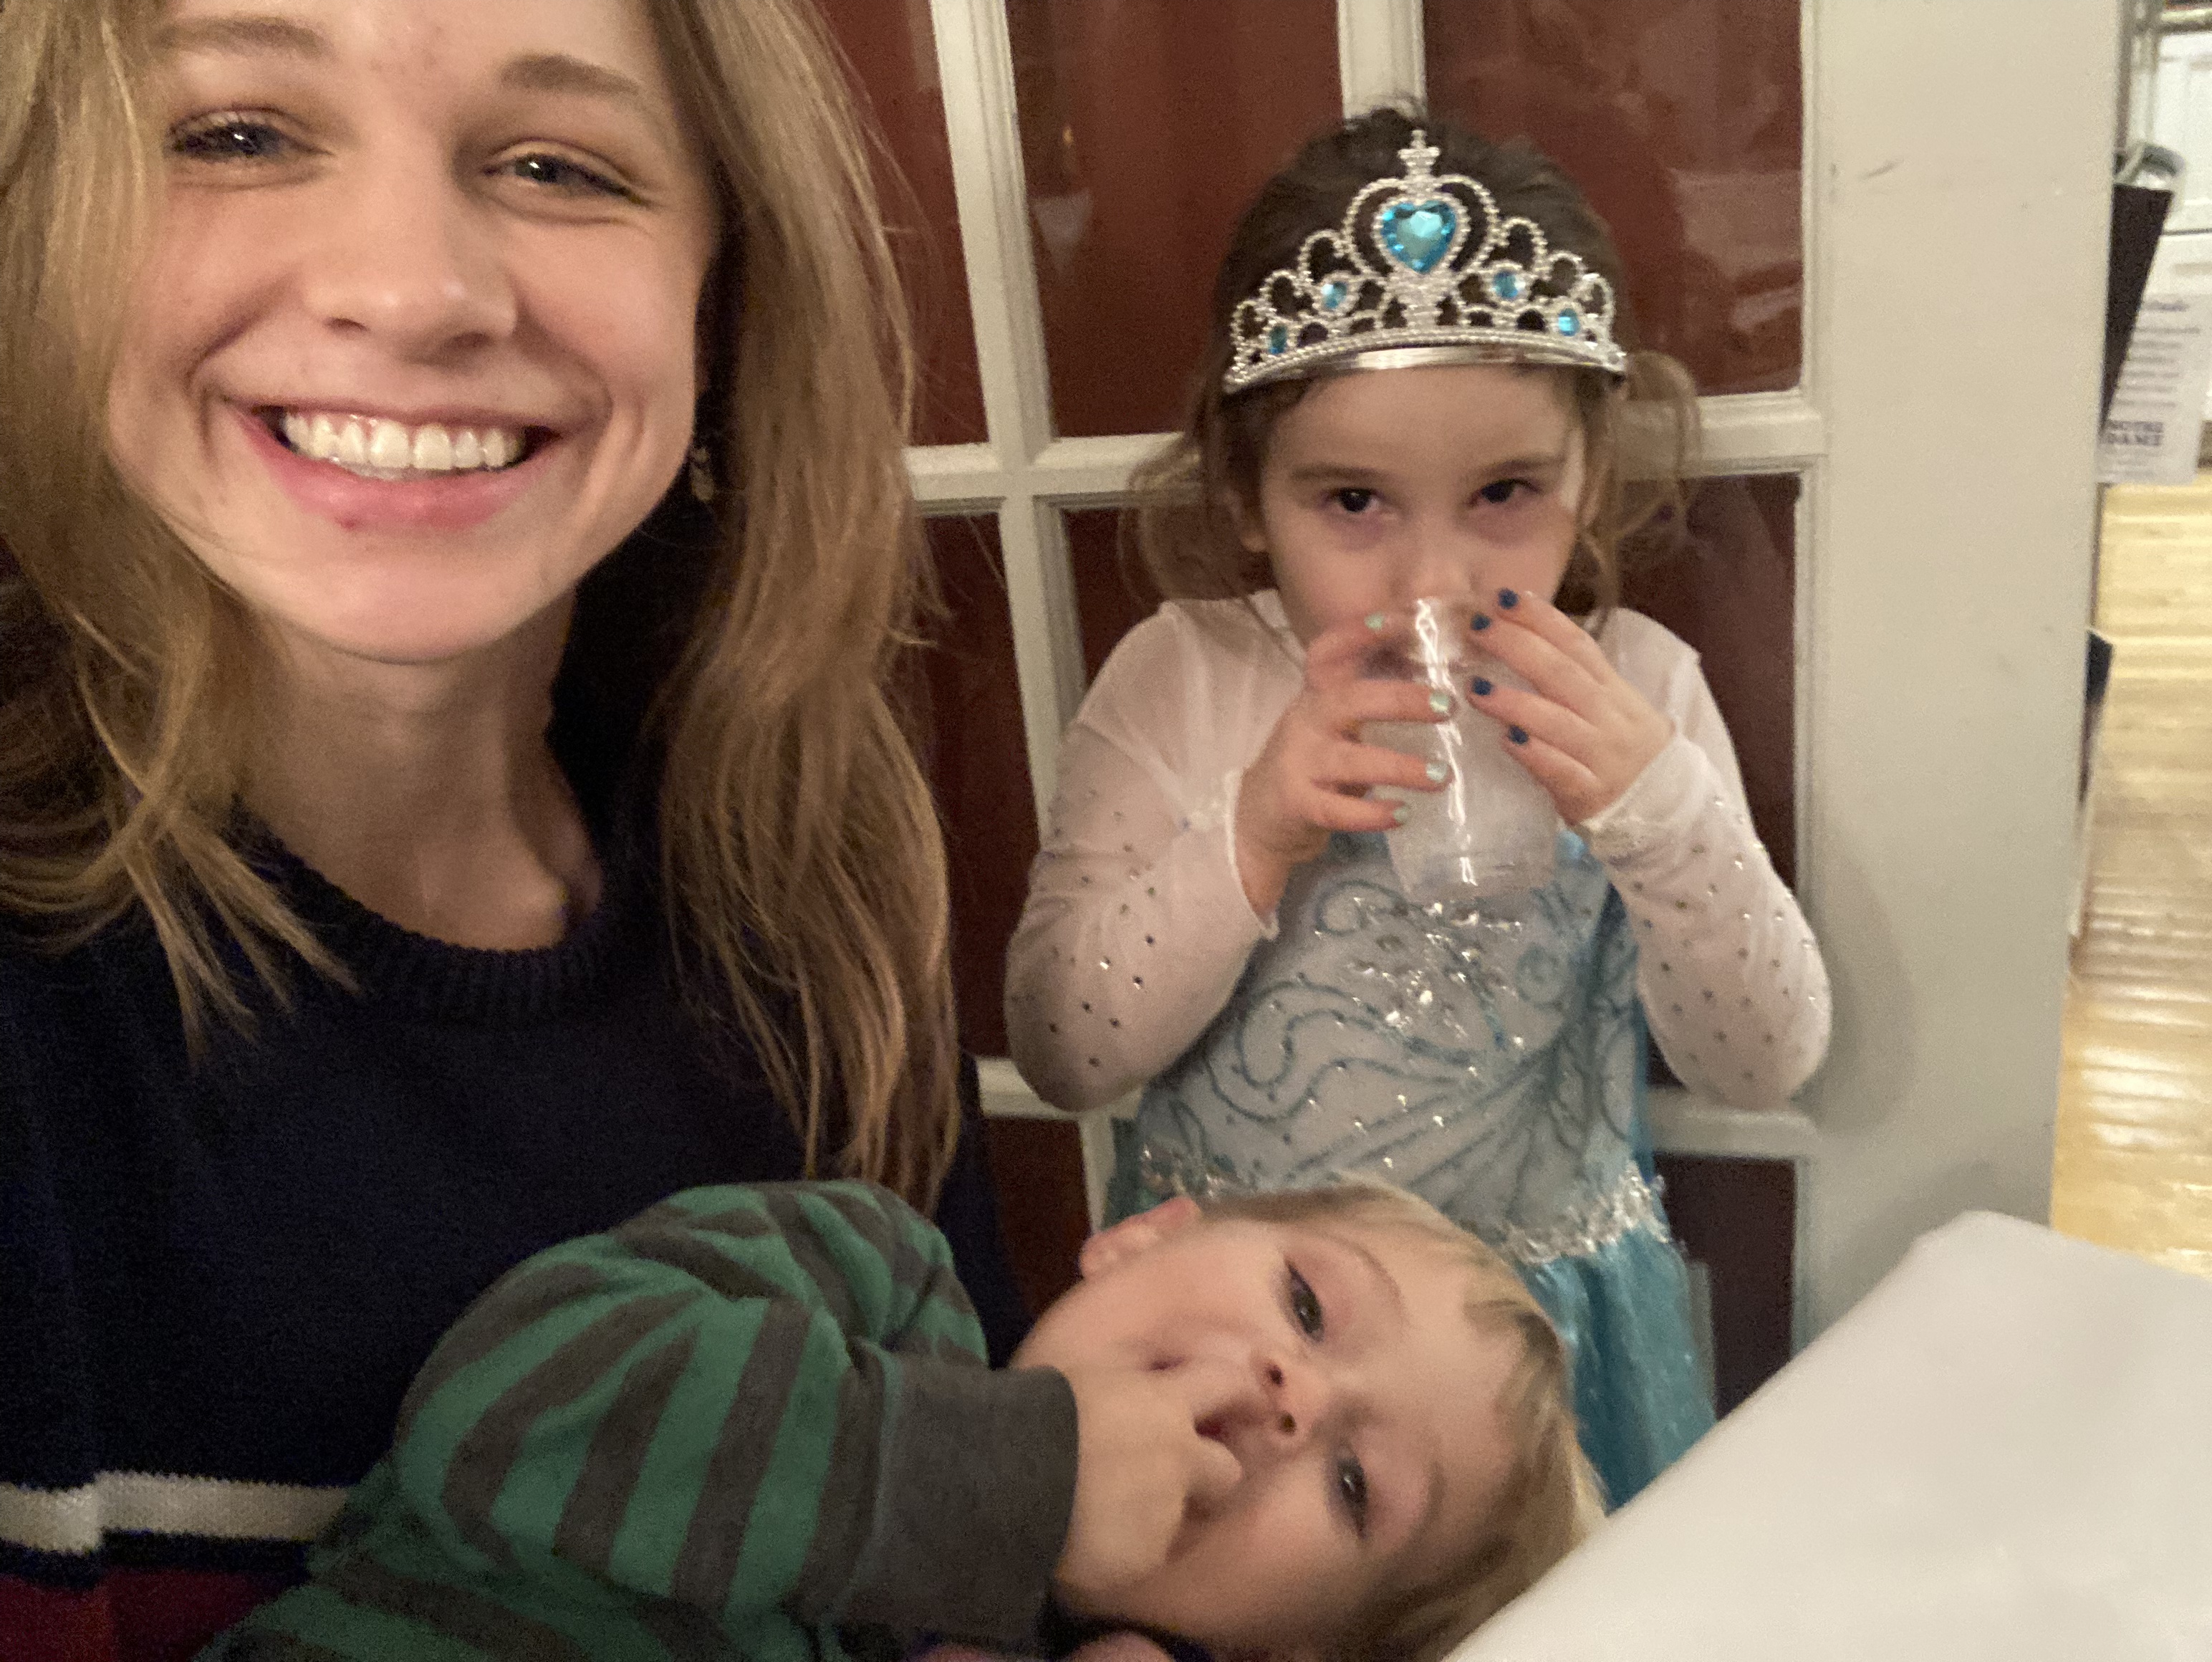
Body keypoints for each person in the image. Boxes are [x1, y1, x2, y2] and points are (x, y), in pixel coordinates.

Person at [0, 2, 1024, 1656]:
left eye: (559, 166)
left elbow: (1000, 1562)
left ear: (725, 297)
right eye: (237, 134)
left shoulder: (817, 917)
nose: (414, 291)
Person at [1004, 107, 1831, 1507]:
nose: (1433, 578)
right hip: (1244, 1355)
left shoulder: (1635, 685)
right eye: (1353, 500)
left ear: (1589, 477)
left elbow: (1761, 1060)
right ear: (1247, 495)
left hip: (1540, 1354)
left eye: (1505, 490)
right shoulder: (1187, 674)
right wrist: (1251, 831)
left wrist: (1656, 809)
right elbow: (1062, 1050)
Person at [200, 1176, 1600, 1661]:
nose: (1299, 1396)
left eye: (1355, 1485)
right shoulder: (874, 1283)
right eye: (1305, 1301)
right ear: (1147, 1232)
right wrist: (1015, 1481)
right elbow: (495, 1412)